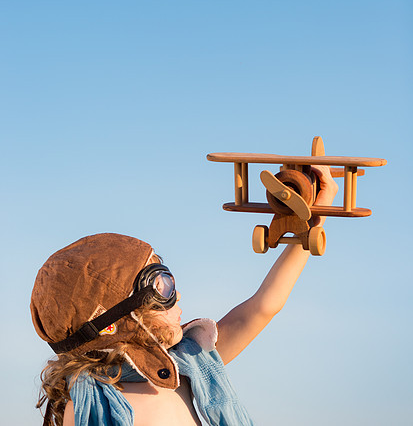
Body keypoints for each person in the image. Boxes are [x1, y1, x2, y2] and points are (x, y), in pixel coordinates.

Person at [31, 165, 338, 426]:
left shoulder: (187, 365)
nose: (177, 297)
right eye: (161, 287)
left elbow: (262, 307)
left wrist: (311, 222)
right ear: (110, 320)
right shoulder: (92, 407)